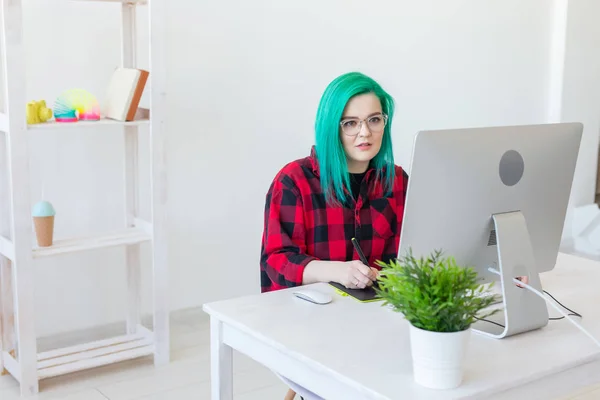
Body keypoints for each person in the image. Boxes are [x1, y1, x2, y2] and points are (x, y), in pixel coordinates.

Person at [260, 71, 409, 293]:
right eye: (350, 123)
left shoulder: (397, 180)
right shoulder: (294, 181)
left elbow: (415, 255)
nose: (365, 133)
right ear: (331, 128)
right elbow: (277, 262)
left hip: (381, 312)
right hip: (309, 315)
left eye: (374, 120)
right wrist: (336, 271)